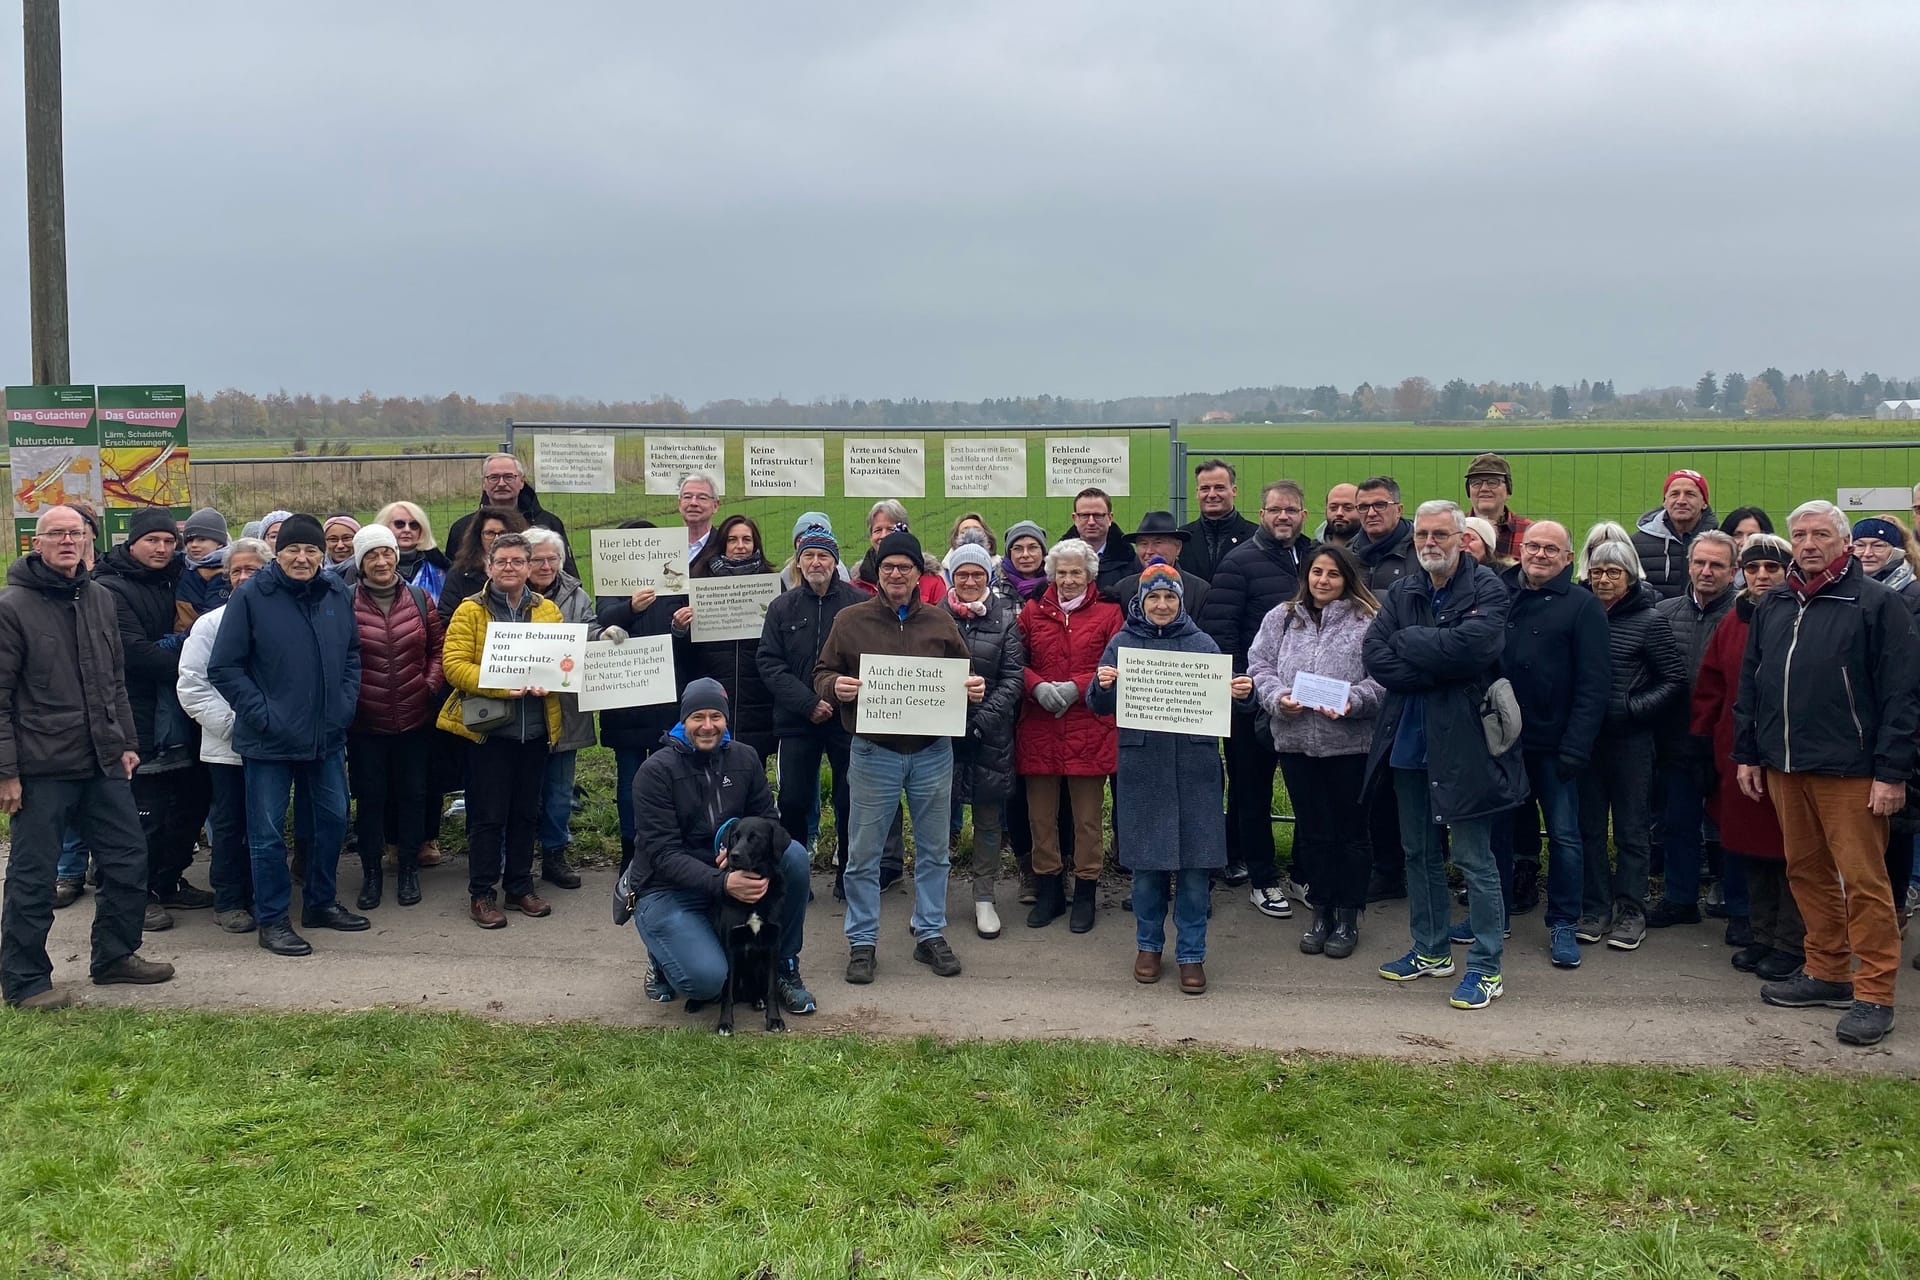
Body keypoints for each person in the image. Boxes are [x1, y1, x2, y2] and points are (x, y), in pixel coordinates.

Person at [1733, 500, 1920, 1047]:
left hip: (1852, 770)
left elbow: (1901, 695)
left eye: (1820, 533)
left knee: (1865, 882)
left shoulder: (1876, 604)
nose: (1809, 543)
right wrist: (1749, 752)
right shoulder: (1775, 604)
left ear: (1843, 541)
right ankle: (1827, 970)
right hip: (1786, 764)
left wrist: (1891, 772)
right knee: (1806, 872)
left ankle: (1875, 993)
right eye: (1800, 534)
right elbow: (1753, 682)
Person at [0, 506, 175, 1008]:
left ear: (89, 541)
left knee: (127, 859)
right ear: (37, 542)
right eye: (57, 534)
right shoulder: (12, 607)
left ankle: (115, 957)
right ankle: (26, 980)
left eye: (76, 533)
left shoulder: (98, 597)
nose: (68, 541)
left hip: (102, 761)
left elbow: (113, 680)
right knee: (33, 877)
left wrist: (124, 743)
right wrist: (6, 772)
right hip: (40, 767)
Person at [1365, 500, 1527, 1011]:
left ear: (1461, 538)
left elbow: (1476, 649)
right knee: (1418, 851)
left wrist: (1413, 642)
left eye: (1440, 534)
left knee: (1475, 857)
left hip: (1465, 744)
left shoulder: (1487, 589)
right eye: (1422, 536)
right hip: (1409, 740)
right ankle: (1432, 949)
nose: (1429, 543)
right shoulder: (1405, 589)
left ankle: (1486, 965)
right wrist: (1435, 657)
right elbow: (1375, 653)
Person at [815, 528, 980, 983]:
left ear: (917, 573)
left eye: (904, 567)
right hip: (873, 752)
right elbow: (823, 671)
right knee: (864, 855)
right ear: (877, 570)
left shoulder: (941, 622)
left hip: (931, 753)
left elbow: (963, 675)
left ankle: (929, 933)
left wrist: (973, 689)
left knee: (934, 851)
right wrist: (835, 687)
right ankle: (862, 941)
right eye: (888, 567)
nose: (895, 574)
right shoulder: (850, 621)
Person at [208, 515, 367, 957]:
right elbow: (224, 667)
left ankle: (320, 903)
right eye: (293, 549)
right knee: (267, 834)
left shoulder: (336, 592)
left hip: (326, 736)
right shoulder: (253, 596)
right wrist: (262, 713)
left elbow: (352, 655)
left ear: (322, 554)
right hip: (269, 741)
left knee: (333, 820)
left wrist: (343, 704)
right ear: (277, 553)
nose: (303, 558)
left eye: (312, 550)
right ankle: (273, 919)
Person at [618, 677, 816, 1017]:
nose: (707, 726)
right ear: (683, 721)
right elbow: (662, 855)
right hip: (666, 887)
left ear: (726, 720)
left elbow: (768, 821)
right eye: (698, 717)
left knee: (794, 857)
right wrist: (723, 881)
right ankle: (661, 958)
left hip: (726, 871)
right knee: (708, 982)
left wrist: (735, 849)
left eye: (716, 717)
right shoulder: (654, 772)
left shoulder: (745, 757)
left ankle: (783, 964)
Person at [1091, 560, 1240, 993]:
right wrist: (1103, 685)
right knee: (1147, 868)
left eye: (1169, 597)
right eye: (1153, 596)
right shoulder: (1123, 642)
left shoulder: (1203, 644)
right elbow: (1097, 703)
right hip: (1144, 769)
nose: (1161, 604)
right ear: (1140, 600)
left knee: (1196, 870)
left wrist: (1238, 693)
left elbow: (1228, 702)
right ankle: (1148, 945)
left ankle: (1192, 953)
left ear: (1181, 601)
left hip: (1195, 771)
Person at [1246, 544, 1384, 960]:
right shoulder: (1283, 617)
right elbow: (1259, 665)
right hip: (1296, 743)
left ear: (1347, 580)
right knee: (1314, 832)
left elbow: (1384, 679)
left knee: (1351, 834)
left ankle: (1347, 915)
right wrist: (1276, 698)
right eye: (1316, 572)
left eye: (1333, 575)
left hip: (1350, 746)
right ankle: (1320, 910)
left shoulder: (1368, 621)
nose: (1322, 581)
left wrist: (1354, 701)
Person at [436, 532, 566, 929]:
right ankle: (482, 893)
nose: (510, 568)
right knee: (489, 816)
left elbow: (563, 660)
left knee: (527, 813)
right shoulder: (469, 610)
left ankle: (519, 886)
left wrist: (555, 679)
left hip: (536, 730)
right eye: (502, 561)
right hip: (490, 731)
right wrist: (498, 681)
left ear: (529, 567)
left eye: (517, 561)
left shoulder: (547, 610)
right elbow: (453, 664)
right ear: (489, 567)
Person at [1497, 521, 1610, 969]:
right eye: (1533, 546)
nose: (1540, 554)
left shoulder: (1582, 606)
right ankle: (1495, 913)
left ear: (1567, 558)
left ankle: (1563, 920)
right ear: (1521, 551)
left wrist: (1576, 746)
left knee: (1565, 835)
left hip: (1556, 743)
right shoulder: (1499, 592)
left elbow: (1594, 684)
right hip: (1503, 740)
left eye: (1551, 549)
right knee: (1498, 833)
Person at [94, 507, 212, 928]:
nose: (162, 548)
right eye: (152, 540)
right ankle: (136, 895)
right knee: (146, 812)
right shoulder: (110, 588)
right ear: (133, 543)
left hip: (184, 715)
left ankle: (168, 880)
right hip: (138, 714)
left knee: (192, 802)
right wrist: (201, 658)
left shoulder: (180, 578)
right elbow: (135, 654)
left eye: (168, 541)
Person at [1200, 479, 1314, 912]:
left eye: (1291, 509)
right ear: (1261, 515)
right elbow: (1221, 634)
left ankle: (1304, 875)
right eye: (1274, 510)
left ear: (1304, 515)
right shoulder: (1239, 562)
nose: (1282, 516)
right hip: (1250, 702)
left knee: (1308, 792)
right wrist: (1244, 688)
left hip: (1306, 703)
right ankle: (1262, 878)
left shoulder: (1317, 561)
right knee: (1252, 793)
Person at [1692, 535, 1800, 979]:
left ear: (1786, 572)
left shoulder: (1799, 616)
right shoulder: (1733, 623)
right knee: (1751, 850)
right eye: (1753, 568)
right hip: (1737, 753)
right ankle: (1762, 934)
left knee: (1792, 854)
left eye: (1771, 569)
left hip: (1787, 754)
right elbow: (1711, 687)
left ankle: (1793, 942)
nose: (1761, 577)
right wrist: (1702, 742)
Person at [1573, 537, 1687, 952]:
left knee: (1632, 830)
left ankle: (1631, 909)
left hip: (1631, 743)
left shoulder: (1650, 620)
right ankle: (1595, 907)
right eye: (1598, 572)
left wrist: (1631, 707)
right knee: (1588, 828)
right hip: (1585, 741)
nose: (1604, 580)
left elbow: (1673, 679)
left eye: (1613, 572)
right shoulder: (1579, 613)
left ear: (1629, 575)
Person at [1013, 537, 1124, 934]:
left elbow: (1116, 663)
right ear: (1051, 575)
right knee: (1041, 817)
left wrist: (1080, 685)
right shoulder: (1031, 612)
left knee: (1087, 819)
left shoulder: (1110, 614)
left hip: (1088, 725)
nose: (1069, 579)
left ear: (1089, 574)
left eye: (1076, 572)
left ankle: (1087, 890)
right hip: (1040, 724)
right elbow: (1015, 660)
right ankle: (1049, 890)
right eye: (1062, 572)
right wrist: (1036, 685)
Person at [758, 522, 865, 894]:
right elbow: (769, 662)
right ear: (798, 563)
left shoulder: (856, 605)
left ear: (835, 562)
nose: (816, 562)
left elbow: (866, 659)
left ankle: (847, 874)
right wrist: (807, 703)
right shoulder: (781, 607)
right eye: (809, 556)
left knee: (850, 797)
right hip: (796, 720)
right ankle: (795, 874)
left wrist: (835, 698)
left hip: (846, 719)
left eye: (823, 556)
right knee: (793, 800)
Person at [343, 524, 444, 911]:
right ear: (360, 563)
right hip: (365, 721)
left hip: (416, 718)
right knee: (370, 799)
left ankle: (408, 870)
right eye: (372, 556)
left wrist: (429, 685)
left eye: (386, 553)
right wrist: (353, 698)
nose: (381, 561)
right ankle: (371, 874)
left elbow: (437, 649)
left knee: (414, 795)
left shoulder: (420, 600)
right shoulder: (345, 600)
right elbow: (340, 655)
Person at [177, 536, 271, 934]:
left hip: (274, 744)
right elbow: (192, 685)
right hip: (227, 745)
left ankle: (262, 892)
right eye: (237, 570)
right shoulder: (210, 624)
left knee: (264, 823)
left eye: (253, 569)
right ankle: (230, 898)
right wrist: (234, 726)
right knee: (230, 823)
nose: (244, 576)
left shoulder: (280, 619)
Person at [1647, 529, 1740, 928]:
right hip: (1677, 740)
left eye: (1717, 565)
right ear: (1689, 565)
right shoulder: (1665, 614)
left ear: (1733, 571)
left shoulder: (1746, 616)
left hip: (1727, 743)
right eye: (1700, 562)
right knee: (1678, 824)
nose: (1706, 571)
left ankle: (1740, 907)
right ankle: (1679, 898)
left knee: (1733, 830)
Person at [942, 543, 1027, 939]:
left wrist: (981, 722)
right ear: (952, 578)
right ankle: (932, 898)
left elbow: (1012, 680)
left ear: (988, 578)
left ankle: (984, 897)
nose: (970, 581)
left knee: (988, 822)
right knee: (937, 820)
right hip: (941, 737)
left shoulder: (1006, 620)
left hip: (989, 737)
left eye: (977, 574)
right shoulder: (935, 618)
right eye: (962, 575)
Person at [593, 518, 683, 868]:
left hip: (667, 694)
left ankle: (665, 847)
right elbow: (605, 616)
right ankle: (630, 851)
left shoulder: (675, 583)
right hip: (625, 696)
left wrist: (679, 628)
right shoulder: (613, 586)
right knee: (629, 777)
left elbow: (686, 640)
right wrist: (631, 608)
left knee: (669, 776)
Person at [524, 527, 596, 890]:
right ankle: (514, 860)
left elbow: (590, 631)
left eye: (552, 558)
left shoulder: (576, 595)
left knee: (559, 788)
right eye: (537, 558)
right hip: (519, 707)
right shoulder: (508, 596)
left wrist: (604, 637)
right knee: (519, 787)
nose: (546, 565)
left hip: (565, 708)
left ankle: (555, 854)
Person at [676, 514, 778, 761]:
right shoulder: (699, 581)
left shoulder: (771, 584)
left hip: (756, 693)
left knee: (752, 765)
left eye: (746, 539)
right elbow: (684, 651)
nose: (740, 546)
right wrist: (680, 628)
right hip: (711, 685)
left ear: (756, 545)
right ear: (722, 544)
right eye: (732, 540)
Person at [443, 453, 573, 574]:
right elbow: (452, 577)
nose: (501, 483)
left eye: (508, 477)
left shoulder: (547, 524)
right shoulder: (462, 528)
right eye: (494, 478)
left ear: (522, 481)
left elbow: (568, 578)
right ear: (484, 483)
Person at [1631, 469, 1717, 599]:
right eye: (1674, 494)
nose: (1681, 500)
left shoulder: (1719, 543)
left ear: (1704, 503)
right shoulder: (1636, 544)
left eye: (1690, 494)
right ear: (1665, 502)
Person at [1110, 511, 1212, 617]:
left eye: (1158, 543)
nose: (1149, 551)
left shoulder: (1199, 591)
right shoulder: (1123, 589)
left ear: (1178, 547)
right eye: (1143, 544)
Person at [851, 501, 949, 604]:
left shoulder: (932, 581)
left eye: (890, 529)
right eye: (878, 530)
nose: (884, 535)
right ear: (870, 536)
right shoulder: (857, 583)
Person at [437, 505, 528, 613]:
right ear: (478, 536)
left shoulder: (527, 567)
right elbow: (446, 615)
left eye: (503, 533)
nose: (497, 539)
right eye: (490, 533)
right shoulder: (460, 572)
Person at [1179, 459, 1257, 580]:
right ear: (1197, 493)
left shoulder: (1255, 537)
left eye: (1219, 488)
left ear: (1234, 491)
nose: (1211, 495)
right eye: (1205, 488)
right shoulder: (1181, 538)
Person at [375, 500, 451, 602]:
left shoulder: (440, 566)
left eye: (414, 525)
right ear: (384, 526)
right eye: (399, 524)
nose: (407, 529)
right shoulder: (369, 565)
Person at [1349, 476, 1415, 591]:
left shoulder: (1422, 553)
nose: (1371, 513)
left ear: (1399, 510)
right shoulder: (1347, 555)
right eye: (1363, 507)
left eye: (1380, 505)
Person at [1463, 453, 1532, 559]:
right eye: (1476, 482)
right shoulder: (1454, 529)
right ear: (1469, 491)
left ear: (1508, 490)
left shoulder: (1529, 532)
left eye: (1493, 482)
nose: (1484, 488)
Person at [1070, 487, 1135, 596]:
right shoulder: (1059, 561)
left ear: (1110, 518)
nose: (1091, 522)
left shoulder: (1131, 563)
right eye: (1085, 515)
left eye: (1098, 515)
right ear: (1075, 518)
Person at [176, 506, 231, 628]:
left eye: (202, 539)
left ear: (220, 543)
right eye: (189, 540)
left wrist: (177, 640)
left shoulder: (221, 573)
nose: (194, 545)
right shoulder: (188, 563)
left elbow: (212, 615)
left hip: (197, 635)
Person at [1849, 516, 1920, 611]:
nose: (1867, 553)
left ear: (1897, 552)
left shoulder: (1915, 594)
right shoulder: (1838, 588)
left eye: (1878, 546)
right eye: (1860, 545)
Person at [777, 511, 852, 590]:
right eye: (800, 540)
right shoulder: (786, 575)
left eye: (822, 556)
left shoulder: (842, 573)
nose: (806, 543)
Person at [994, 520, 1051, 610]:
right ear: (1009, 554)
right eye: (1018, 549)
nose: (1025, 554)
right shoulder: (995, 590)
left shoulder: (1056, 587)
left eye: (1032, 548)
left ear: (1043, 552)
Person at [676, 472, 719, 563]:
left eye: (702, 498)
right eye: (687, 497)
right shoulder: (665, 546)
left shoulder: (724, 546)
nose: (693, 503)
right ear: (679, 504)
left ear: (715, 506)